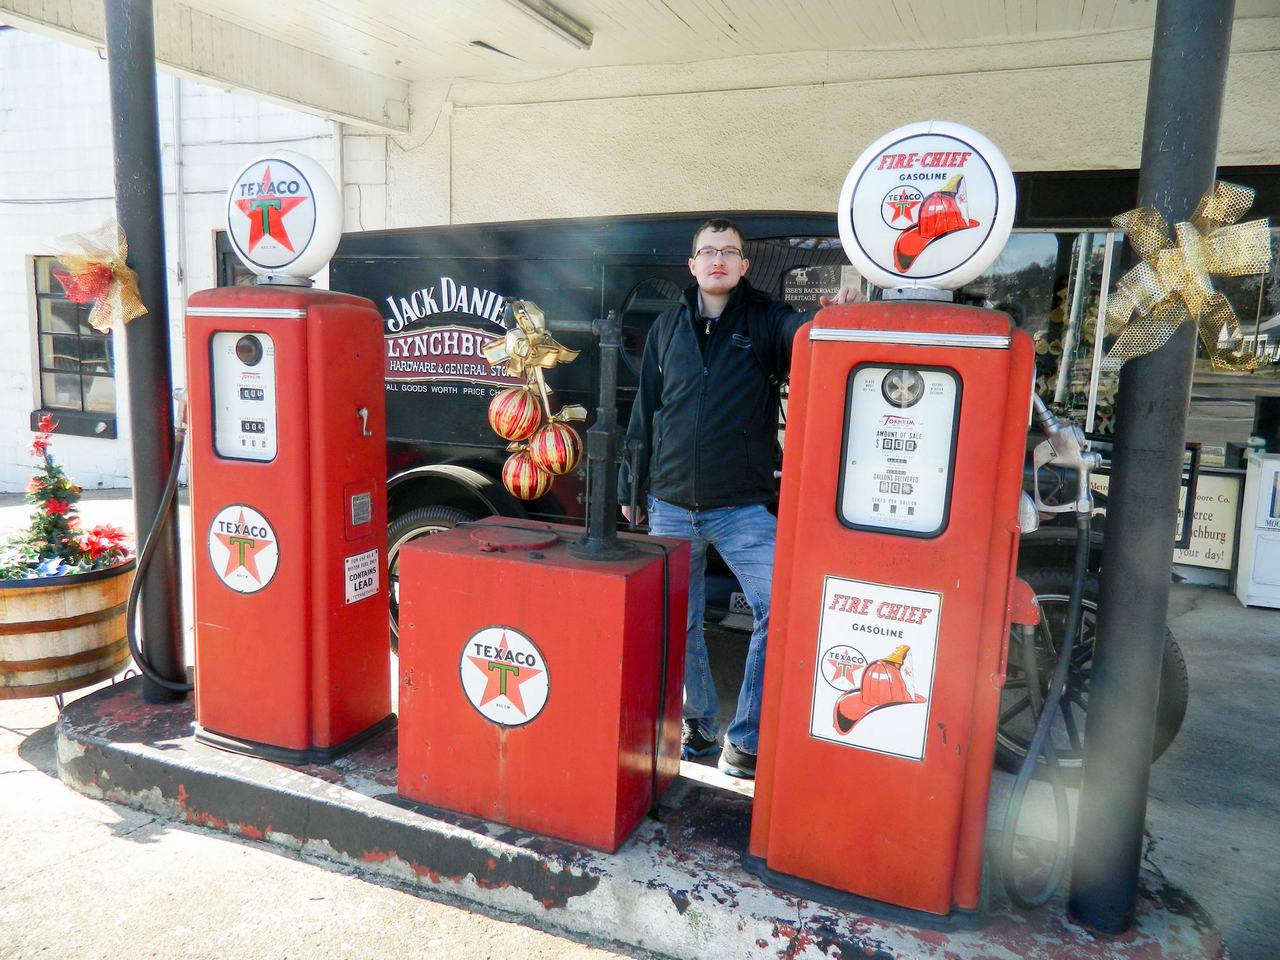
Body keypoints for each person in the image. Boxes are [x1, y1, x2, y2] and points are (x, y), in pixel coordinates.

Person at [618, 217, 860, 779]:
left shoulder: (765, 318)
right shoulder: (668, 326)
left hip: (742, 508)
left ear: (744, 265)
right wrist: (632, 487)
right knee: (679, 618)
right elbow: (645, 408)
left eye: (730, 252)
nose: (719, 260)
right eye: (709, 252)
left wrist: (834, 315)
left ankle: (744, 739)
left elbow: (804, 335)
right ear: (693, 264)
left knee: (784, 605)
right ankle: (697, 722)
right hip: (671, 502)